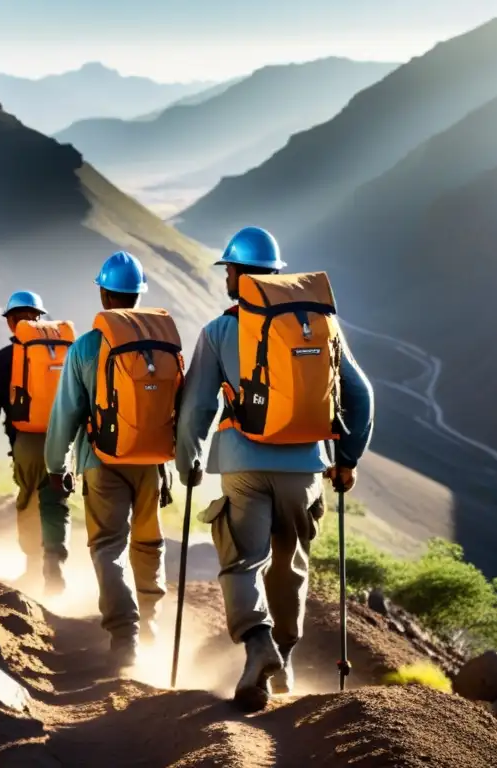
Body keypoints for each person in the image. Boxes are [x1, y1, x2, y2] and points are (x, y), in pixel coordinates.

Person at [175, 226, 374, 712]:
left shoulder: (221, 330)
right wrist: (346, 460)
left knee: (244, 562)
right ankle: (280, 658)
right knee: (289, 570)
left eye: (229, 270)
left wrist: (190, 461)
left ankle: (258, 645)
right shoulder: (320, 324)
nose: (228, 278)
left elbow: (197, 408)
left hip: (243, 467)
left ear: (239, 274)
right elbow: (361, 395)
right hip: (306, 468)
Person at [45, 252, 183, 668]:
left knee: (108, 546)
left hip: (101, 460)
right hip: (153, 464)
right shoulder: (164, 344)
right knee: (149, 545)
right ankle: (153, 623)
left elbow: (67, 410)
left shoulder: (87, 346)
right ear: (138, 295)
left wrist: (56, 465)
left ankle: (126, 634)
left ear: (104, 293)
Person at [0, 291, 74, 595]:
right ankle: (54, 564)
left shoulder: (3, 359)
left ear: (11, 322)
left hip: (24, 443)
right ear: (39, 318)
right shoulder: (66, 351)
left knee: (29, 501)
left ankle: (33, 569)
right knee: (56, 502)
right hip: (62, 441)